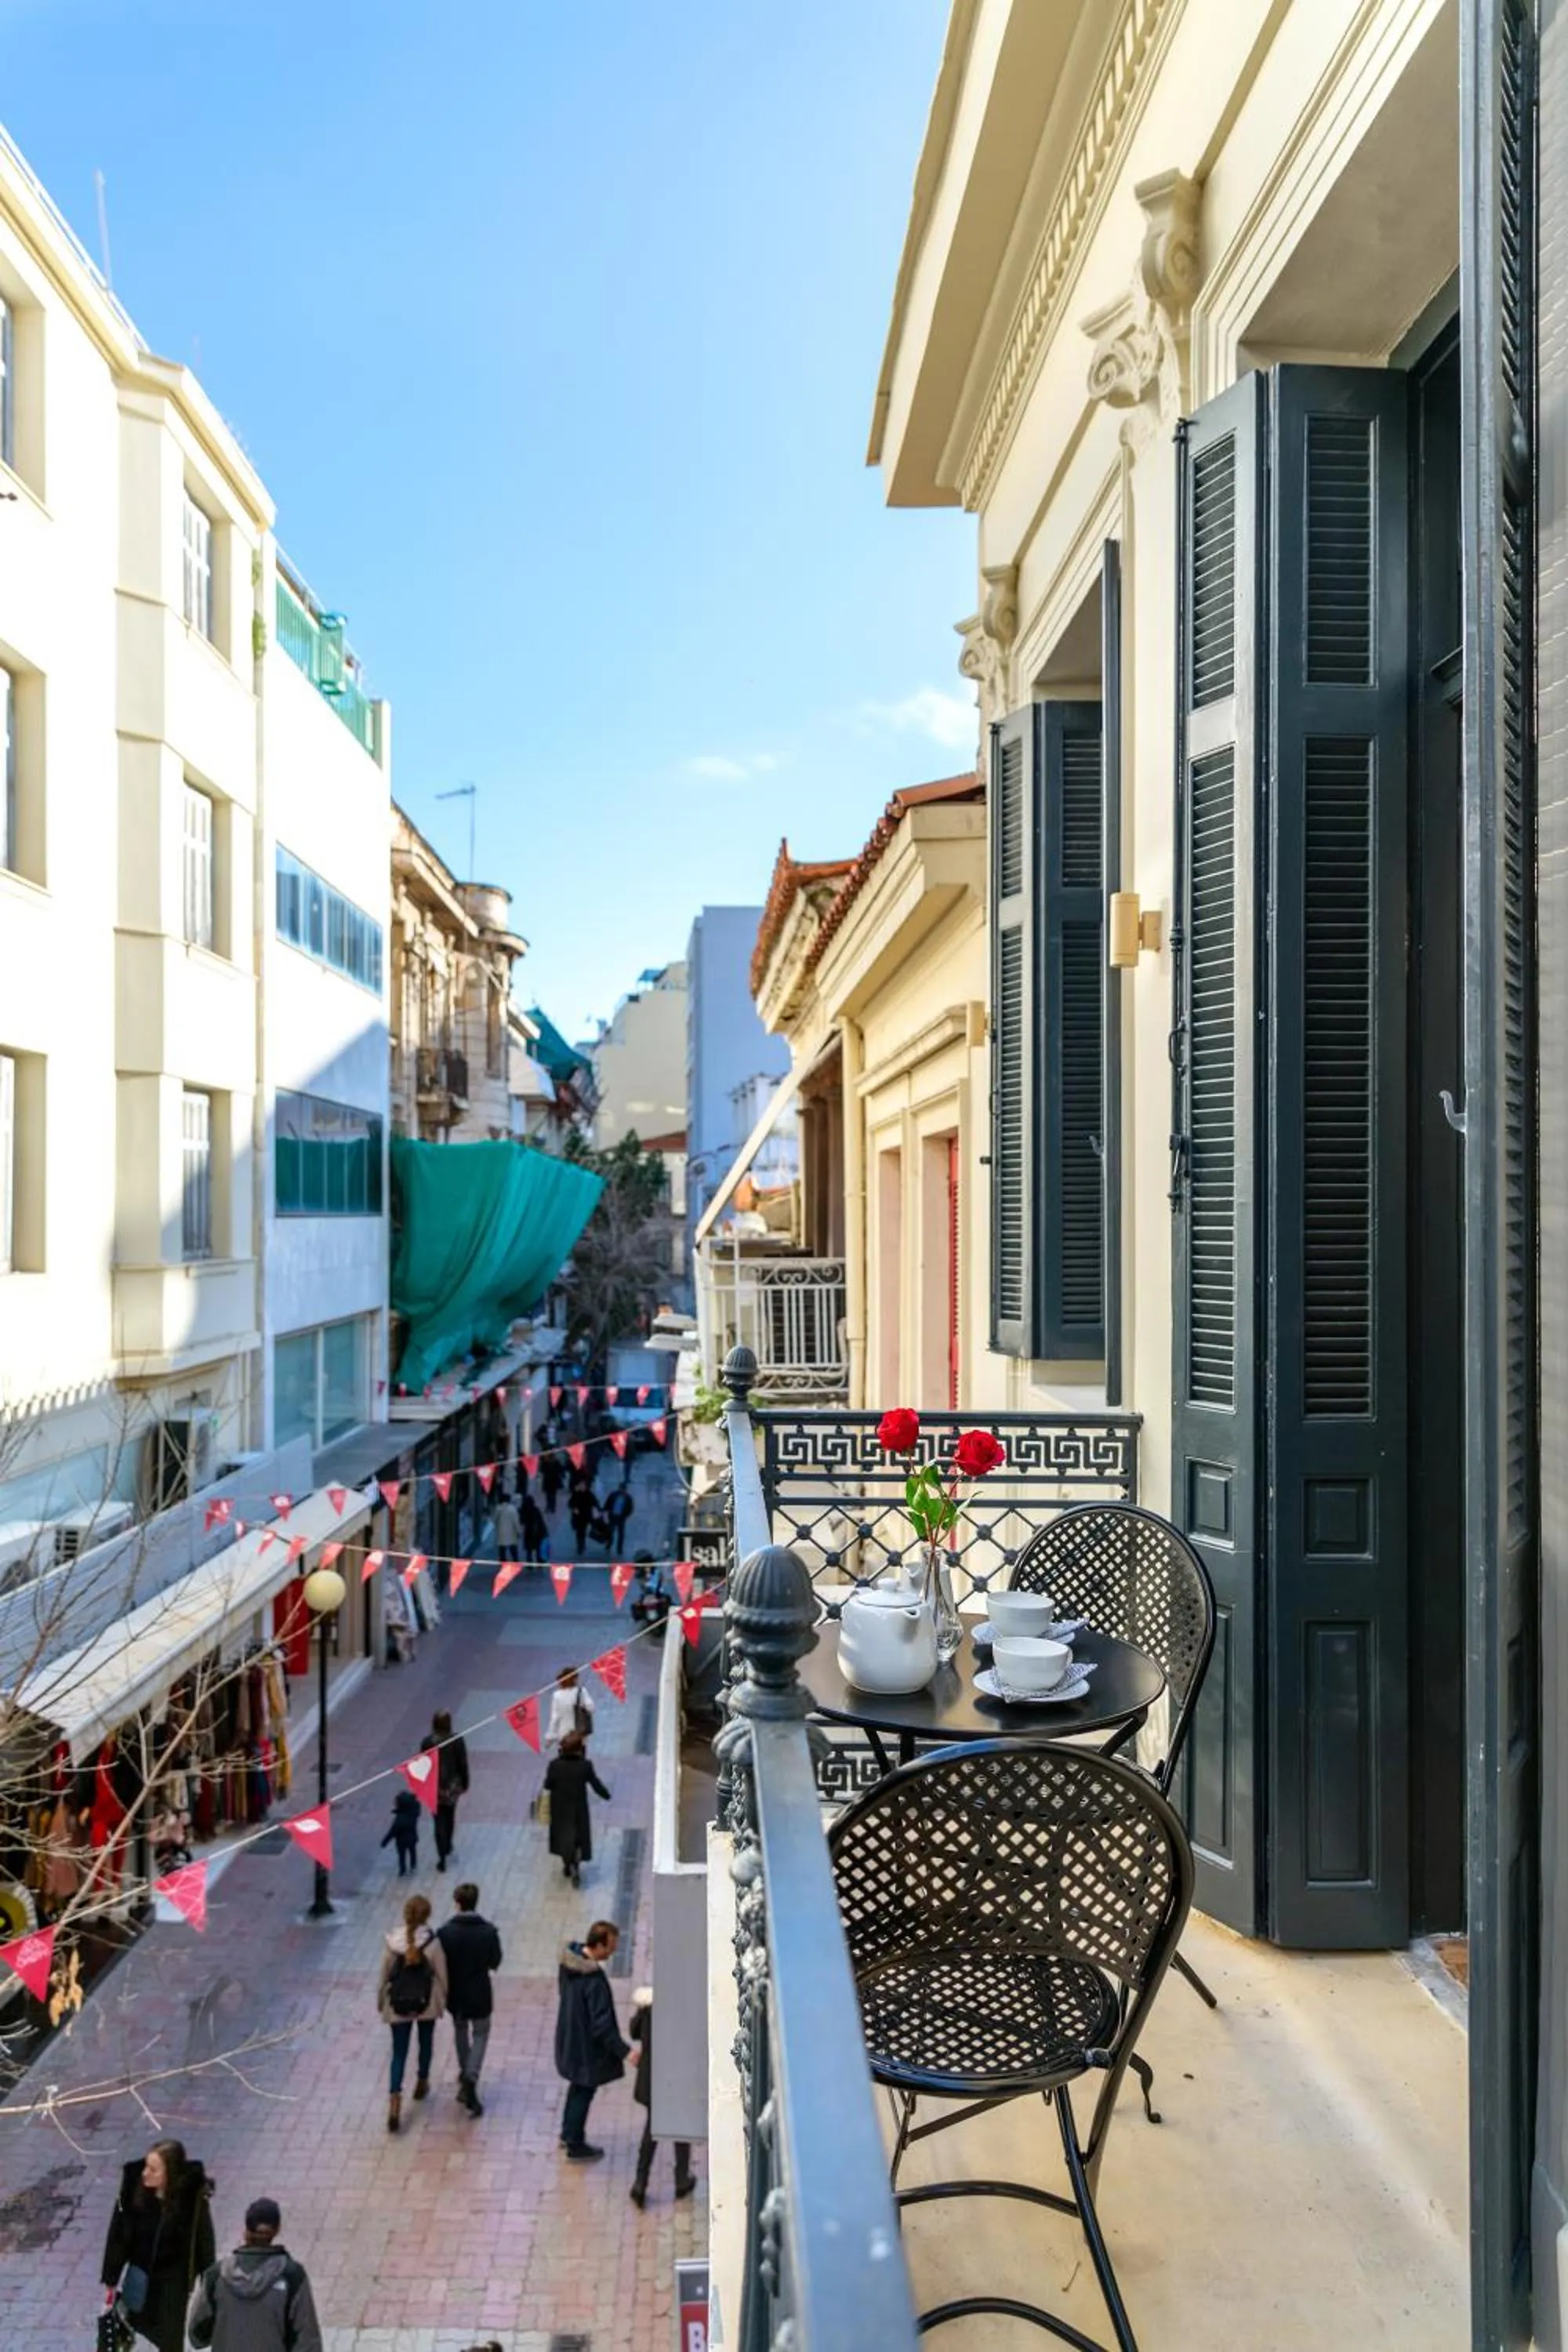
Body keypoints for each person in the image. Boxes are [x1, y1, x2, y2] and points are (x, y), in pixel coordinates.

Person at [100, 2138, 216, 2352]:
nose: (146, 2173)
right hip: (140, 2274)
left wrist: (209, 2283)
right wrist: (111, 2277)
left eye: (154, 2170)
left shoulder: (192, 2200)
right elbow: (118, 2234)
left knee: (170, 2340)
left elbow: (204, 2241)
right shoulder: (134, 2191)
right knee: (122, 2332)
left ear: (169, 2174)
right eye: (146, 2166)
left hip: (173, 2282)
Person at [186, 2195, 322, 2352]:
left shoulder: (217, 2276)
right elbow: (308, 2342)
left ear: (246, 2231)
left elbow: (197, 2335)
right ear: (277, 2230)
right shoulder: (292, 2276)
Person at [554, 1919, 630, 2161]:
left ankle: (568, 2133)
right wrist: (625, 2052)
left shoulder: (568, 1964)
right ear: (598, 1946)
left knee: (576, 2088)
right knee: (584, 2091)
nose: (613, 1951)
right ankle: (575, 2143)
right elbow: (602, 2025)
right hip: (586, 2047)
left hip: (569, 2037)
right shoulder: (593, 1981)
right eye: (610, 1946)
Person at [378, 1891, 448, 2133]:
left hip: (398, 2004)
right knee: (425, 2042)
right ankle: (422, 2080)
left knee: (399, 2052)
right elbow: (442, 1975)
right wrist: (444, 1998)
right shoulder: (433, 1943)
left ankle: (395, 2098)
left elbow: (384, 1976)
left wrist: (380, 2002)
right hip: (425, 2002)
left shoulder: (392, 1942)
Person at [437, 1881, 503, 2117]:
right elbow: (495, 1962)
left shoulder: (445, 1932)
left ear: (457, 1903)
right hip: (480, 1991)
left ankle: (465, 2071)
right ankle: (471, 2076)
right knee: (482, 2033)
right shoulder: (488, 1931)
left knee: (460, 2030)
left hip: (456, 1992)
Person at [628, 1989, 696, 2209]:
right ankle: (681, 2179)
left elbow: (634, 2032)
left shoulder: (653, 2009)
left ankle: (641, 2182)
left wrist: (643, 2009)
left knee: (652, 2129)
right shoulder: (686, 2014)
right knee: (681, 2127)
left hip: (653, 2079)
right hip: (677, 2080)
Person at [543, 1728, 611, 1887]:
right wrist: (606, 1795)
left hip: (560, 1808)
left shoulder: (554, 1765)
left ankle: (567, 1863)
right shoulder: (585, 1766)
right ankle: (576, 1864)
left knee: (563, 1838)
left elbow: (548, 1784)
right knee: (579, 1838)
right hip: (578, 1808)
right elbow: (595, 1784)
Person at [425, 1708, 470, 1874]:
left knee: (438, 1820)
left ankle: (441, 1855)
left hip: (434, 1787)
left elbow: (423, 1764)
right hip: (452, 1786)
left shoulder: (428, 1742)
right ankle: (448, 1843)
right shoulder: (457, 1740)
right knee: (450, 1815)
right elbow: (463, 1763)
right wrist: (465, 1782)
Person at [545, 1666, 595, 1752]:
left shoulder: (557, 1695)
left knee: (564, 1761)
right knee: (579, 1761)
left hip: (564, 1735)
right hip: (579, 1735)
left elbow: (555, 1717)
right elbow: (591, 1708)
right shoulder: (581, 1691)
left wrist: (550, 1737)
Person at [380, 1784, 420, 1875]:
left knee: (402, 1855)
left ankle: (403, 1870)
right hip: (412, 1837)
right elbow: (416, 1804)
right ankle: (413, 1865)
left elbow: (392, 1832)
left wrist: (384, 1842)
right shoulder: (413, 1813)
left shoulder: (399, 1820)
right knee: (412, 1851)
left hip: (401, 1841)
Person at [491, 1494, 521, 1566]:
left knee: (502, 1551)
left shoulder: (498, 1509)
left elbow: (494, 1520)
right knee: (513, 1550)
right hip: (512, 1533)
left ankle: (503, 1564)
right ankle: (516, 1563)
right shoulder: (513, 1509)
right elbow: (516, 1522)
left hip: (501, 1533)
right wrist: (519, 1532)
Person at [568, 1480, 594, 1558]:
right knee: (579, 1531)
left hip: (585, 1516)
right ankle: (580, 1545)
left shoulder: (589, 1494)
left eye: (583, 1485)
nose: (582, 1487)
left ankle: (582, 1544)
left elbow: (594, 1503)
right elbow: (570, 1503)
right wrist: (574, 1509)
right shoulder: (576, 1494)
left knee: (583, 1531)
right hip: (578, 1516)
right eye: (581, 1485)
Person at [604, 1479, 634, 1550]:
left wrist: (626, 1516)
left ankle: (619, 1548)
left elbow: (630, 1508)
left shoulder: (628, 1498)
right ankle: (610, 1544)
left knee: (620, 1533)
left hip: (621, 1517)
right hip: (613, 1516)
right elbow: (608, 1504)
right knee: (611, 1531)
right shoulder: (613, 1495)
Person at [521, 1492, 548, 1565]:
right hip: (538, 1532)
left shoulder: (524, 1511)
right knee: (538, 1547)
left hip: (529, 1532)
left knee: (529, 1549)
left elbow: (522, 1521)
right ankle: (539, 1560)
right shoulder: (536, 1510)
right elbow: (541, 1521)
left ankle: (529, 1562)